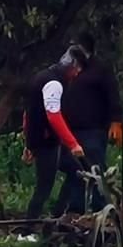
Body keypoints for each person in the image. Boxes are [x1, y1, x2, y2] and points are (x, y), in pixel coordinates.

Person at [55, 32, 123, 214]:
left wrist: (116, 121)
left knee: (96, 168)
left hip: (93, 129)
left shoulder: (100, 69)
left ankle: (102, 208)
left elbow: (113, 96)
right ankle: (74, 209)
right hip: (70, 130)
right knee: (75, 170)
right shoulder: (68, 70)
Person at [23, 45, 89, 219]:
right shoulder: (54, 83)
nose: (77, 74)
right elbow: (53, 116)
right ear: (71, 65)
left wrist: (27, 142)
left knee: (77, 172)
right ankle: (27, 229)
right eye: (77, 69)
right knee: (44, 186)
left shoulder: (44, 76)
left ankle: (57, 216)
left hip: (45, 140)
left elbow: (28, 113)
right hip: (45, 142)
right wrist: (73, 143)